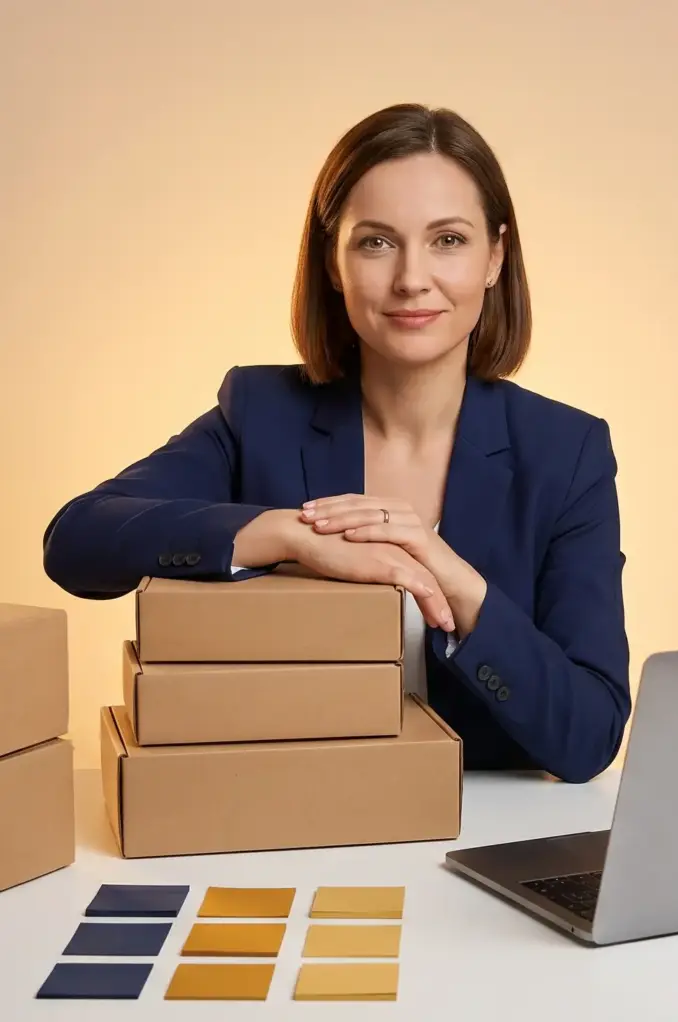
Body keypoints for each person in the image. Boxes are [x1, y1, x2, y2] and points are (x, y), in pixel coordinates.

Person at [42, 104, 630, 784]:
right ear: (332, 260)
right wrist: (286, 536)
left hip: (488, 829)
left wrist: (457, 583)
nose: (412, 278)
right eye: (376, 242)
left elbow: (590, 736)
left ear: (495, 256)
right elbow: (77, 541)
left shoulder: (568, 453)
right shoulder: (261, 413)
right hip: (292, 812)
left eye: (448, 240)